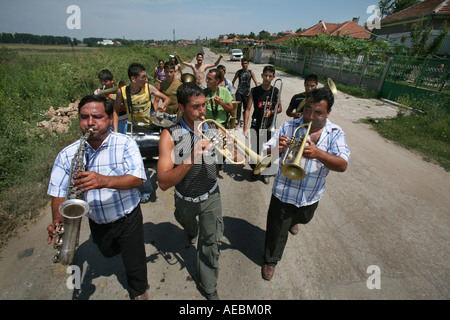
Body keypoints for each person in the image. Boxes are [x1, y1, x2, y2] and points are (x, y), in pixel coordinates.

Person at [47, 94, 149, 300]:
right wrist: (58, 221)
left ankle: (139, 291)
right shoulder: (67, 154)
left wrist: (104, 181)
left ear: (110, 119)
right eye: (84, 117)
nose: (90, 123)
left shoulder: (125, 143)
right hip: (97, 221)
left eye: (97, 117)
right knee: (107, 252)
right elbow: (58, 192)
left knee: (134, 261)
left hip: (128, 218)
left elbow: (137, 179)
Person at [260, 87, 350, 281]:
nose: (310, 116)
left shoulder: (335, 133)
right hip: (283, 192)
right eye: (308, 109)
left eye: (318, 112)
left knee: (304, 218)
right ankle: (270, 260)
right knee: (276, 230)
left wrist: (319, 154)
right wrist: (277, 148)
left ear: (328, 113)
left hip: (310, 196)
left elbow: (342, 165)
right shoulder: (288, 126)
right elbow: (264, 156)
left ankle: (294, 221)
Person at [157, 82, 225, 300]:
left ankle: (208, 285)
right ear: (181, 107)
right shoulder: (170, 135)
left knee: (210, 243)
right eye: (196, 107)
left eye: (204, 105)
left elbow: (238, 162)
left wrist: (234, 149)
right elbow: (164, 182)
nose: (202, 111)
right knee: (187, 223)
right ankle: (190, 228)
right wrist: (191, 158)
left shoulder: (212, 128)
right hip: (185, 197)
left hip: (211, 196)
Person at [113, 62, 170, 203]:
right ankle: (148, 189)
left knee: (160, 157)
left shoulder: (148, 88)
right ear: (133, 79)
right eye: (143, 77)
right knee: (140, 163)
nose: (146, 79)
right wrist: (114, 132)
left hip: (151, 126)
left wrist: (164, 105)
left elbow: (166, 98)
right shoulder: (122, 92)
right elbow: (115, 111)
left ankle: (167, 176)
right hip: (134, 130)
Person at [243, 65, 282, 184]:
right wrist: (245, 127)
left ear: (273, 77)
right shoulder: (255, 91)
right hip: (256, 125)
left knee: (268, 151)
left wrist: (271, 112)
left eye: (270, 76)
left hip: (269, 126)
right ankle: (255, 170)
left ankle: (266, 173)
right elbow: (248, 109)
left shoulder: (275, 91)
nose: (267, 78)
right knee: (254, 150)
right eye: (265, 75)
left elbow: (280, 108)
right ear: (262, 76)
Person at [94, 69, 127, 134]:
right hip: (108, 122)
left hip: (123, 121)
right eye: (101, 81)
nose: (103, 84)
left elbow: (127, 107)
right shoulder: (97, 92)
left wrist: (118, 105)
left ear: (112, 80)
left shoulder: (120, 91)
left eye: (106, 81)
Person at [232, 58, 258, 128]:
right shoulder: (239, 72)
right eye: (243, 63)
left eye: (246, 63)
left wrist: (257, 90)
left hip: (247, 94)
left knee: (246, 109)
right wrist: (232, 88)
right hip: (239, 93)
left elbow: (256, 82)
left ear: (248, 64)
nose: (244, 65)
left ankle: (245, 122)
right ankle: (238, 123)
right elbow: (233, 81)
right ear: (241, 64)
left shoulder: (251, 72)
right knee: (238, 108)